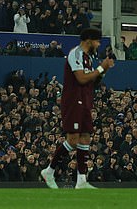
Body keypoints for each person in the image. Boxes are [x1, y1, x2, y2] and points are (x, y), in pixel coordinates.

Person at [41, 28, 115, 189]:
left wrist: (105, 69)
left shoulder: (88, 57)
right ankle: (49, 170)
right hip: (74, 100)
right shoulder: (76, 53)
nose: (98, 44)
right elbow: (81, 78)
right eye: (97, 41)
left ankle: (81, 179)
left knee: (85, 137)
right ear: (89, 40)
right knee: (73, 140)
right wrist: (101, 68)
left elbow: (92, 81)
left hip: (85, 99)